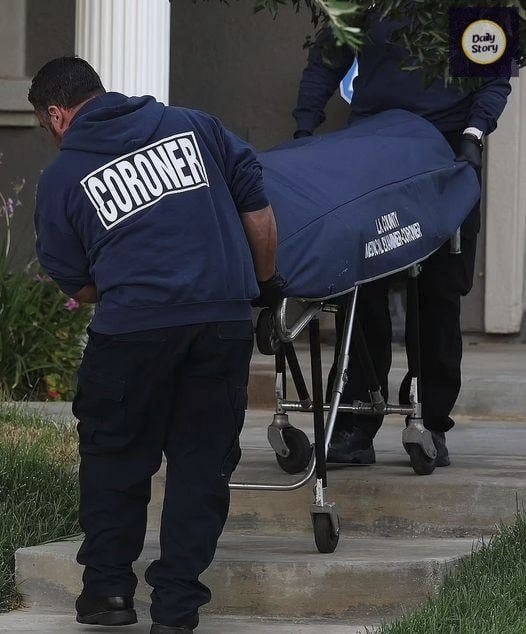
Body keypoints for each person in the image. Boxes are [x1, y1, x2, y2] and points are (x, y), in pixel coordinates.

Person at [29, 56, 285, 633]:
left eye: (48, 127)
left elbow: (80, 284)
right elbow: (259, 212)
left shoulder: (63, 175)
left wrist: (135, 279)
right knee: (202, 464)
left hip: (131, 331)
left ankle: (108, 592)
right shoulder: (194, 125)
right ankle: (176, 610)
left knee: (114, 455)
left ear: (57, 114)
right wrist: (267, 286)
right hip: (221, 321)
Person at [293, 16, 512, 467]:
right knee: (361, 286)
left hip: (445, 148)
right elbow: (328, 56)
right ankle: (355, 421)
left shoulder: (470, 4)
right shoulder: (364, 4)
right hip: (374, 146)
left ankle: (431, 421)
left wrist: (474, 133)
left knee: (438, 293)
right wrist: (304, 128)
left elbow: (492, 71)